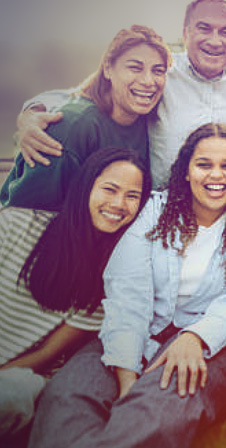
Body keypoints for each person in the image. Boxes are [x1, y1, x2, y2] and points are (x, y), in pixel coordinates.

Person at [28, 123, 226, 448]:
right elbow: (127, 291)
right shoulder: (154, 211)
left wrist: (195, 337)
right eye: (204, 164)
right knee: (67, 396)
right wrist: (127, 376)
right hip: (141, 328)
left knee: (156, 408)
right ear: (186, 171)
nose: (217, 175)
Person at [15, 0, 226, 188]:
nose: (214, 40)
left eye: (225, 32)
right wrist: (31, 113)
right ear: (185, 32)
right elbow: (83, 93)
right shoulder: (159, 72)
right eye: (204, 28)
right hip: (157, 212)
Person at [0, 148, 151, 440]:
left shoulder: (110, 277)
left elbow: (46, 354)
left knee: (11, 393)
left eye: (132, 196)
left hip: (20, 378)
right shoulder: (14, 224)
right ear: (86, 188)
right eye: (110, 189)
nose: (119, 204)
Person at [2, 25, 169, 210]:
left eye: (158, 71)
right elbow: (25, 215)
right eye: (135, 68)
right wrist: (30, 113)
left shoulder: (149, 120)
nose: (148, 81)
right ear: (108, 69)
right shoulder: (72, 126)